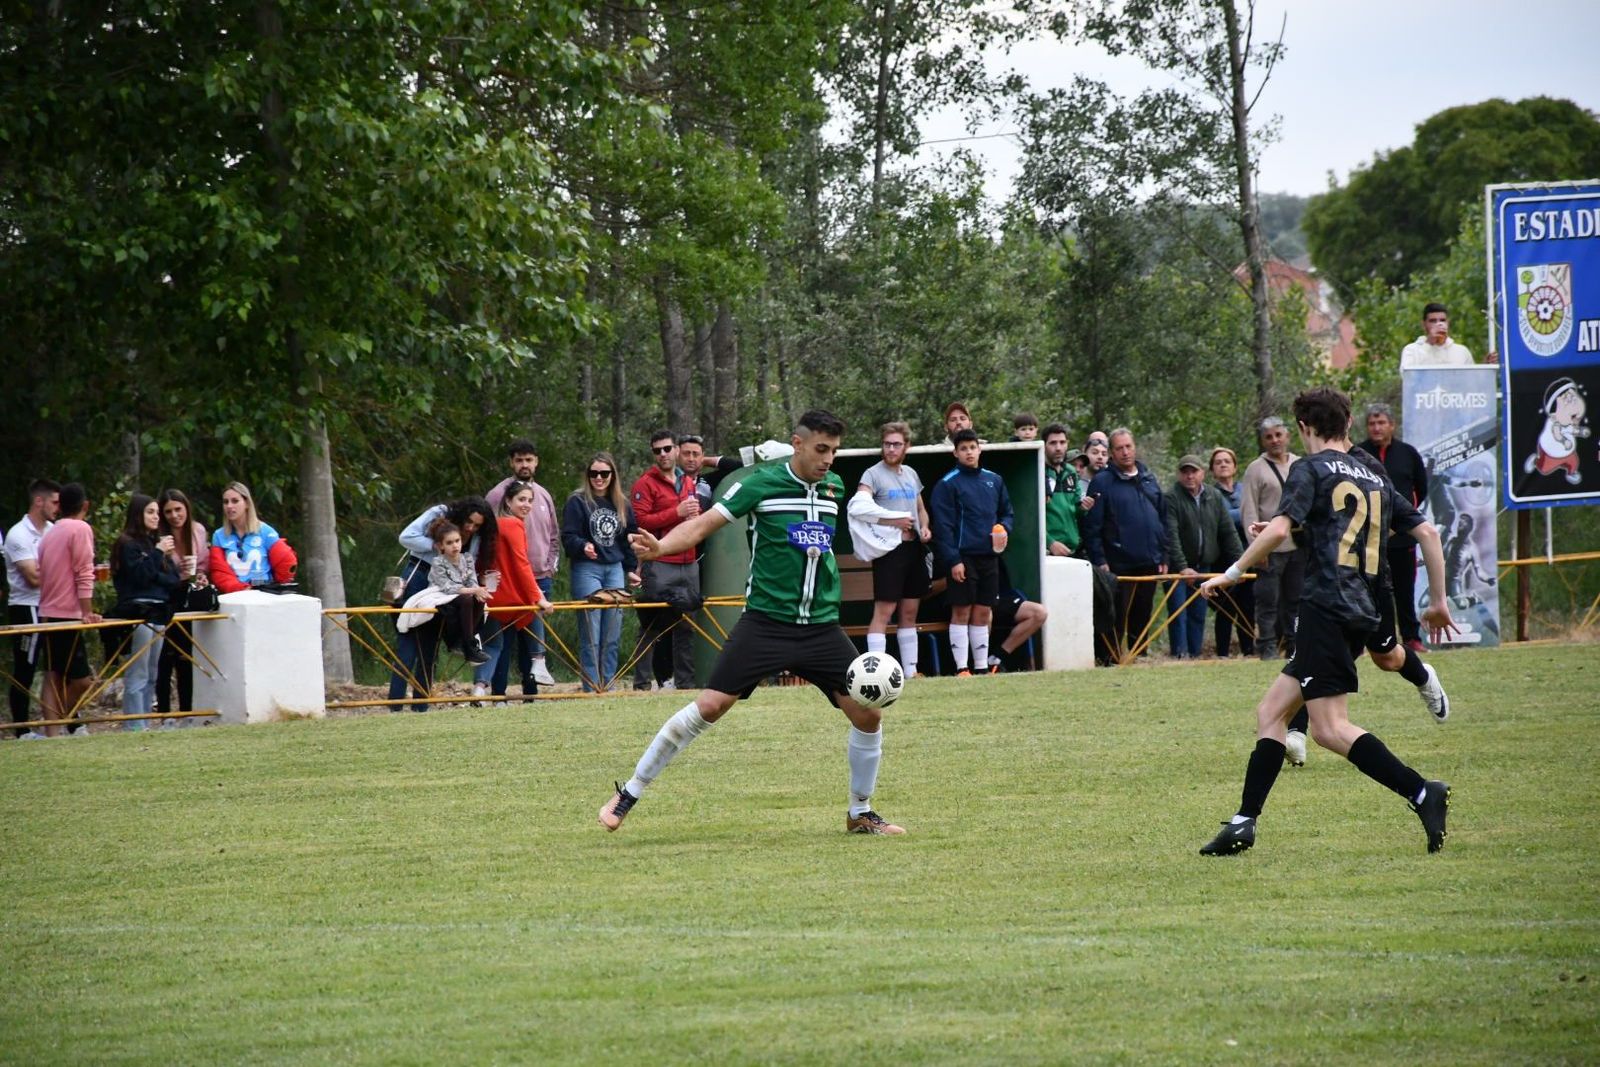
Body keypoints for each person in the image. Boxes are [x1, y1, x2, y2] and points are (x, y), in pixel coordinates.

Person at [599, 409, 905, 836]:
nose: (828, 459)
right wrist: (661, 546)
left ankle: (860, 813)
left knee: (867, 715)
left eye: (834, 451)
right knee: (709, 706)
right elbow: (704, 524)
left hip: (821, 627)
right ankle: (628, 792)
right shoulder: (759, 483)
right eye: (821, 449)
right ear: (797, 444)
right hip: (766, 623)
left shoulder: (834, 486)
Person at [1197, 387, 1455, 857]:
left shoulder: (1308, 468)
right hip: (1361, 605)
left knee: (1329, 729)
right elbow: (1428, 532)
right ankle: (1243, 822)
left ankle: (1422, 792)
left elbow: (1278, 529)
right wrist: (1437, 599)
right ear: (1348, 422)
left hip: (1326, 607)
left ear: (1303, 428)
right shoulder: (1372, 474)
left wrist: (1232, 572)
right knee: (1271, 712)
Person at [387, 497, 497, 712]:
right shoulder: (440, 513)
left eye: (476, 526)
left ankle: (421, 705)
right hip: (419, 578)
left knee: (430, 646)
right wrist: (440, 547)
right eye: (468, 522)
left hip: (445, 588)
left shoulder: (472, 538)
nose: (470, 528)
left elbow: (468, 563)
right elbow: (406, 536)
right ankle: (394, 704)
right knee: (408, 644)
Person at [849, 421, 932, 678]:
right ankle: (876, 673)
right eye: (887, 444)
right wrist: (893, 520)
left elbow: (919, 509)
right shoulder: (872, 474)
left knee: (909, 611)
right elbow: (859, 507)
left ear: (906, 446)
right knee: (884, 611)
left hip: (914, 549)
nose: (891, 449)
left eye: (897, 444)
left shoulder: (910, 474)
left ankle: (910, 671)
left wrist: (925, 527)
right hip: (889, 552)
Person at [1080, 428, 1171, 659]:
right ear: (1112, 452)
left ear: (1135, 447)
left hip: (1150, 559)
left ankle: (1140, 655)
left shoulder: (1148, 478)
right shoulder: (1102, 482)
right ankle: (1109, 658)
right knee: (1116, 614)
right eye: (1119, 448)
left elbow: (1163, 519)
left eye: (1128, 446)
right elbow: (1092, 526)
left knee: (1143, 611)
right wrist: (1100, 560)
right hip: (1118, 562)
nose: (1125, 452)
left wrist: (1164, 555)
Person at [929, 429, 1013, 677]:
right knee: (962, 610)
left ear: (980, 449)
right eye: (963, 448)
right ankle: (961, 668)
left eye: (972, 447)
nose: (968, 452)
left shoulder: (994, 480)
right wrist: (953, 560)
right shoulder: (947, 484)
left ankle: (981, 667)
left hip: (989, 556)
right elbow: (942, 527)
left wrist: (1005, 529)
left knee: (983, 611)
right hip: (962, 558)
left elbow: (1007, 512)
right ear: (955, 452)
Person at [562, 452, 641, 692]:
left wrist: (630, 569)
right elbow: (568, 536)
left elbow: (629, 538)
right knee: (591, 633)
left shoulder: (621, 503)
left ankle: (608, 684)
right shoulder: (577, 501)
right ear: (588, 475)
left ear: (612, 475)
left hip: (615, 569)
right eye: (593, 473)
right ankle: (591, 686)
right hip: (587, 569)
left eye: (604, 473)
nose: (598, 478)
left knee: (612, 633)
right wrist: (582, 546)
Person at [485, 440, 561, 689]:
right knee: (502, 640)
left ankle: (531, 695)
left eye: (529, 459)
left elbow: (553, 535)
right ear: (511, 463)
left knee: (532, 639)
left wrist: (549, 565)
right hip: (509, 581)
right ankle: (498, 692)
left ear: (536, 462)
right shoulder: (497, 495)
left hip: (540, 576)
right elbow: (486, 538)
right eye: (519, 460)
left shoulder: (544, 495)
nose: (524, 464)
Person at [629, 430, 700, 692]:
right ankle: (641, 683)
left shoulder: (688, 481)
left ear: (677, 450)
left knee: (687, 624)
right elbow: (640, 523)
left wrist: (695, 517)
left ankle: (685, 682)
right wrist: (676, 512)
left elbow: (694, 519)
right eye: (657, 450)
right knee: (652, 625)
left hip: (689, 560)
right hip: (659, 563)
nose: (663, 454)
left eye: (667, 449)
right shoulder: (644, 484)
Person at [1357, 403, 1429, 651]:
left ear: (1392, 425)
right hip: (1368, 538)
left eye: (1381, 423)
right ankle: (1371, 639)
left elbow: (1421, 489)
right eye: (1372, 423)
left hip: (1402, 538)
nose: (1376, 428)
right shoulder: (1357, 454)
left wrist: (1402, 522)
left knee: (1404, 588)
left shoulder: (1408, 453)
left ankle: (1411, 637)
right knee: (1369, 590)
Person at [109, 495, 183, 730]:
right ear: (138, 514)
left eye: (156, 513)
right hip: (138, 614)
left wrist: (155, 566)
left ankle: (144, 722)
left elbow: (172, 578)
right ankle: (133, 725)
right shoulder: (127, 544)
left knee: (153, 671)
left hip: (160, 612)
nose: (156, 517)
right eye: (150, 512)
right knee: (138, 671)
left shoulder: (154, 545)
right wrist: (157, 556)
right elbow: (138, 577)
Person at [472, 482, 552, 702]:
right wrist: (538, 597)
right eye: (521, 500)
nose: (526, 505)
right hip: (510, 597)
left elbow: (482, 560)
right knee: (534, 610)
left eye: (529, 500)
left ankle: (479, 689)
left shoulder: (494, 526)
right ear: (508, 501)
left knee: (493, 646)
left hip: (491, 596)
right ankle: (538, 661)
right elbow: (521, 564)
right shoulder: (514, 525)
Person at [35, 483, 99, 737]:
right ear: (85, 506)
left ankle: (52, 733)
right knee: (82, 679)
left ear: (59, 505)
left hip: (47, 611)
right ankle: (64, 718)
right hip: (67, 613)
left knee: (54, 674)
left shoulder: (49, 533)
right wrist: (87, 611)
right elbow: (84, 572)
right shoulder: (80, 528)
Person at [1165, 455, 1243, 659]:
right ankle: (1180, 657)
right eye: (1185, 471)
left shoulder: (1214, 496)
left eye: (1194, 471)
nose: (1190, 475)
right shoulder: (1172, 497)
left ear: (1202, 473)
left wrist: (1241, 562)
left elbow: (1227, 531)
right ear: (1179, 474)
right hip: (1178, 570)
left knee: (1198, 614)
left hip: (1204, 566)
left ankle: (1195, 655)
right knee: (1178, 614)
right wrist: (1182, 567)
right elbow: (1171, 534)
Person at [1241, 417, 1304, 661]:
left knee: (1297, 601)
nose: (1275, 440)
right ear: (1263, 441)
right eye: (1269, 437)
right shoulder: (1255, 469)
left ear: (1288, 436)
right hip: (1270, 547)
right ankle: (1267, 647)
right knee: (1267, 601)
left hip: (1298, 545)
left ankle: (1295, 646)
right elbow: (1249, 511)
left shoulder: (1300, 464)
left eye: (1278, 435)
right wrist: (1257, 548)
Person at [4, 479, 59, 733]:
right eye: (54, 502)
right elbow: (33, 578)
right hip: (26, 606)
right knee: (25, 666)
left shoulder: (53, 530)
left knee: (58, 664)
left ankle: (67, 723)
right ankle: (21, 728)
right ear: (40, 501)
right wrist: (58, 571)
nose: (57, 507)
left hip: (52, 604)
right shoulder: (18, 534)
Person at [155, 489, 210, 720]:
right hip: (166, 596)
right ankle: (165, 714)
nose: (174, 515)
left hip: (189, 595)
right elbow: (153, 571)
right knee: (165, 657)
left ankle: (187, 712)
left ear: (186, 508)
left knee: (186, 656)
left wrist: (200, 575)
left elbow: (205, 563)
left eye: (178, 509)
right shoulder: (158, 537)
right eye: (168, 512)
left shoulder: (197, 531)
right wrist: (162, 554)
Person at [424, 519, 493, 665]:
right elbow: (447, 587)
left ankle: (466, 640)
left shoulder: (466, 559)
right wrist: (474, 589)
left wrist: (479, 590)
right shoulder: (438, 562)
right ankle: (468, 645)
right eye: (449, 543)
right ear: (441, 546)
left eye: (457, 541)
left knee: (479, 598)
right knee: (467, 598)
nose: (455, 545)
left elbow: (472, 580)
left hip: (462, 593)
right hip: (440, 595)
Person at [1207, 448, 1255, 658]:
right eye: (1218, 462)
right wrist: (1243, 515)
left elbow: (1254, 516)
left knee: (1247, 607)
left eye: (1227, 461)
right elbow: (1219, 520)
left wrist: (1240, 516)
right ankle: (1223, 653)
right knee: (1225, 609)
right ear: (1212, 470)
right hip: (1222, 559)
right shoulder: (1209, 494)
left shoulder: (1245, 489)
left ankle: (1248, 649)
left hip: (1249, 554)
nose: (1223, 465)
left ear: (1235, 466)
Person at [208, 481, 297, 592]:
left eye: (235, 501)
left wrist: (276, 587)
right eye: (226, 502)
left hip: (264, 594)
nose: (229, 506)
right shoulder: (218, 536)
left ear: (247, 503)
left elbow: (286, 562)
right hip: (235, 596)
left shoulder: (265, 531)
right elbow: (219, 572)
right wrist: (240, 589)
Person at [985, 556, 1047, 672]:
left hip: (1000, 598)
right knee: (985, 614)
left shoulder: (994, 551)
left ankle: (996, 658)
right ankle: (979, 665)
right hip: (978, 603)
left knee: (1039, 613)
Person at [1400, 303, 1486, 369]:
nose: (1439, 324)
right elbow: (1408, 378)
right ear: (1424, 325)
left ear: (1447, 323)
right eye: (1433, 321)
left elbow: (1472, 382)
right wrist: (1430, 343)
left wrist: (1485, 367)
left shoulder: (1462, 351)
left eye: (1442, 320)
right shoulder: (1411, 350)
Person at [1042, 424, 1084, 557]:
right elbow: (1027, 518)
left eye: (1062, 442)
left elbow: (1076, 510)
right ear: (1043, 445)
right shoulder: (1036, 472)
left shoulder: (1071, 472)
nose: (1058, 448)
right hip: (1048, 552)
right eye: (1053, 443)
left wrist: (1084, 507)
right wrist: (1050, 542)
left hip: (1072, 549)